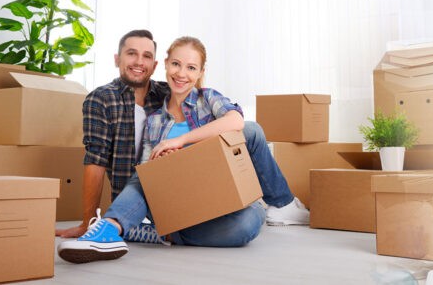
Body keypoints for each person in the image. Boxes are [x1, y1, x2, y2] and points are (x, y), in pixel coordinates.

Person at [55, 30, 308, 241]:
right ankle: (108, 228)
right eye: (176, 64)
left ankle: (161, 235)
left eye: (191, 67)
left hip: (212, 192)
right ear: (164, 65)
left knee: (249, 221)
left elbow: (237, 121)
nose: (181, 73)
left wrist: (181, 142)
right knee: (143, 176)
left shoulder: (205, 98)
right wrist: (164, 161)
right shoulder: (153, 118)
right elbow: (130, 168)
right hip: (170, 198)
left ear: (199, 72)